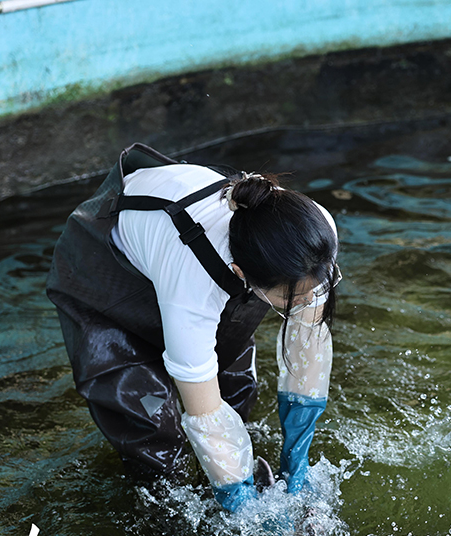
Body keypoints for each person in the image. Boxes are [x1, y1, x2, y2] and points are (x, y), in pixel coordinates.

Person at [47, 143, 340, 512]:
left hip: (193, 266)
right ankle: (168, 533)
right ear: (241, 275)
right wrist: (243, 509)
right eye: (291, 300)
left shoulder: (311, 235)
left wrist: (296, 461)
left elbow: (307, 343)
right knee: (155, 434)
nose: (306, 301)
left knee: (236, 394)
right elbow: (204, 414)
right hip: (105, 282)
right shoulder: (193, 282)